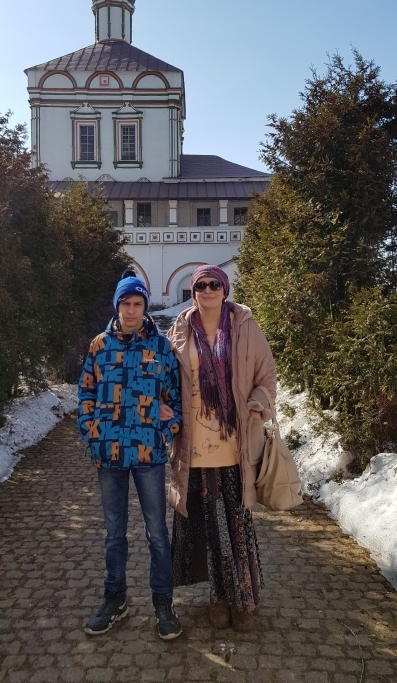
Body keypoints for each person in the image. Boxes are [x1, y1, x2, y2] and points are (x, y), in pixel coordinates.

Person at [162, 264, 277, 633]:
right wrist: (161, 403)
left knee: (236, 524)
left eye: (215, 284)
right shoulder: (179, 331)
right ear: (193, 291)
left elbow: (266, 375)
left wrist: (258, 403)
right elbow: (164, 378)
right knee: (210, 526)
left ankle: (243, 599)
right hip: (194, 446)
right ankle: (217, 597)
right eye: (201, 285)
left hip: (234, 445)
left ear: (225, 290)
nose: (208, 290)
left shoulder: (245, 327)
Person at [77, 270, 183, 640]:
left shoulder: (162, 348)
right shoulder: (99, 346)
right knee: (114, 534)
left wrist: (165, 429)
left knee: (156, 533)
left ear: (145, 306)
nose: (132, 310)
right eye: (126, 303)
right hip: (109, 455)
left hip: (148, 455)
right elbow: (86, 393)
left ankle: (163, 603)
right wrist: (92, 433)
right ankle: (115, 599)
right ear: (117, 305)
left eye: (138, 303)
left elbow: (176, 400)